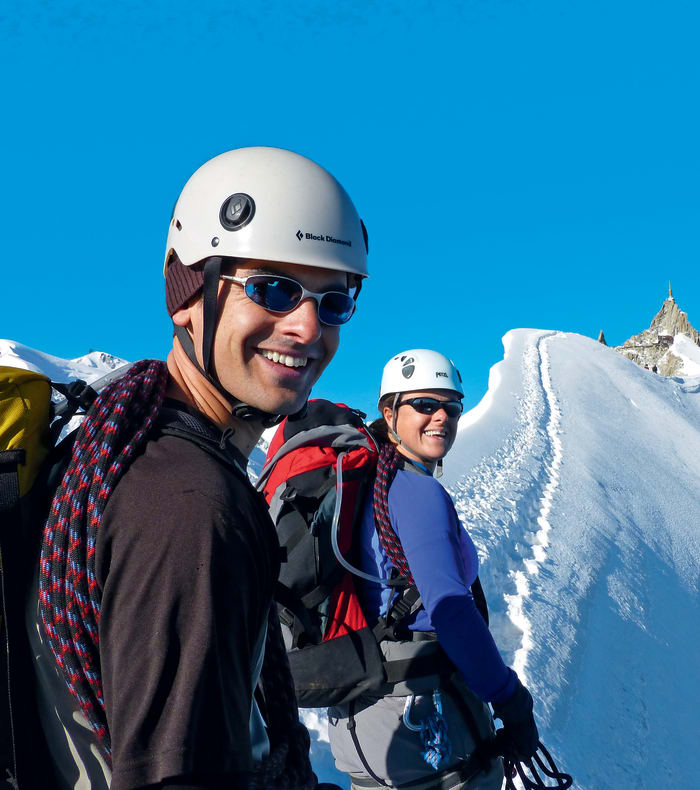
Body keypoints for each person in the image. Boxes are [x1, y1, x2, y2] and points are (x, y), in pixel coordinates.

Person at [27, 147, 368, 790]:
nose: (306, 326)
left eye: (333, 301)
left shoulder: (120, 447)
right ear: (188, 292)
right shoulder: (191, 506)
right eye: (272, 288)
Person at [327, 349, 540, 790]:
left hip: (374, 727)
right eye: (424, 404)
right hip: (428, 729)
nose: (441, 417)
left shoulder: (377, 485)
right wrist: (511, 702)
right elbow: (451, 610)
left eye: (452, 407)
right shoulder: (418, 492)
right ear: (389, 412)